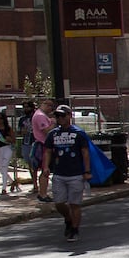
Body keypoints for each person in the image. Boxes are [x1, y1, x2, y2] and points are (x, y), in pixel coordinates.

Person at [42, 105, 92, 242]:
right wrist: (45, 167)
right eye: (57, 116)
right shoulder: (53, 134)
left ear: (69, 116)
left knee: (74, 204)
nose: (60, 119)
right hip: (59, 173)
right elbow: (47, 151)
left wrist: (87, 171)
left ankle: (75, 229)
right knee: (59, 203)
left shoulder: (79, 133)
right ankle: (68, 218)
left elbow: (85, 152)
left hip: (75, 174)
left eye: (63, 116)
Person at [30, 97, 56, 202]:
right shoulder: (40, 116)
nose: (50, 108)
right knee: (45, 170)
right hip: (43, 146)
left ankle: (43, 192)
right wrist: (53, 123)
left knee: (46, 170)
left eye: (52, 106)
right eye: (48, 105)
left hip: (45, 145)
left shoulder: (42, 115)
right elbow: (46, 131)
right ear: (43, 104)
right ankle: (43, 194)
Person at [0, 106, 19, 197]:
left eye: (1, 118)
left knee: (4, 167)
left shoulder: (8, 128)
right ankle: (12, 182)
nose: (0, 120)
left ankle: (4, 188)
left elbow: (14, 140)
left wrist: (9, 139)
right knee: (1, 169)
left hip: (7, 148)